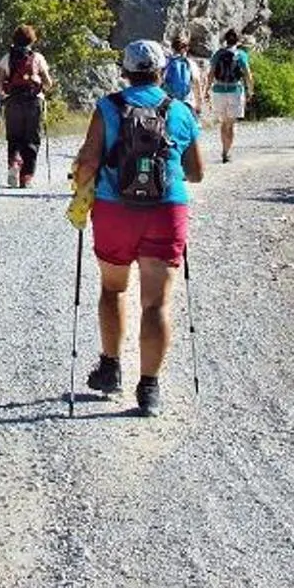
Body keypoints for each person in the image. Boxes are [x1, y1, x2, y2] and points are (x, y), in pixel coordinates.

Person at [66, 39, 207, 414]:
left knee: (113, 289)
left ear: (125, 72)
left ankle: (110, 368)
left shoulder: (108, 107)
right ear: (161, 72)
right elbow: (196, 172)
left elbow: (88, 163)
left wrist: (79, 182)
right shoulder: (179, 110)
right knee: (157, 302)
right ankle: (149, 390)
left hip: (115, 210)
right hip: (166, 210)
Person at [0, 24, 52, 188]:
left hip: (13, 101)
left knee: (14, 138)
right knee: (32, 139)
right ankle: (26, 177)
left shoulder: (7, 58)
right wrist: (40, 85)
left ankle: (14, 162)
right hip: (34, 102)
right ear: (31, 40)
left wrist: (5, 94)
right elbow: (48, 83)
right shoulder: (38, 58)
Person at [206, 27, 250, 163]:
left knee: (223, 123)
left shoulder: (218, 54)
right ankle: (226, 152)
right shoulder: (240, 54)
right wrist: (250, 90)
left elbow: (211, 73)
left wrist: (207, 89)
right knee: (231, 124)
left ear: (225, 39)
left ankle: (224, 149)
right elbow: (248, 74)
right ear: (239, 40)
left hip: (219, 90)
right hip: (235, 90)